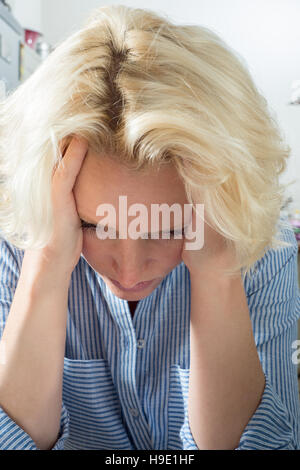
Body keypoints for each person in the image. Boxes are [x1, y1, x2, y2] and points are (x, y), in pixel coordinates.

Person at [0, 4, 299, 451]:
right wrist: (44, 265)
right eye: (95, 225)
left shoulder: (263, 249)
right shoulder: (19, 243)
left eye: (165, 227)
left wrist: (218, 274)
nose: (129, 269)